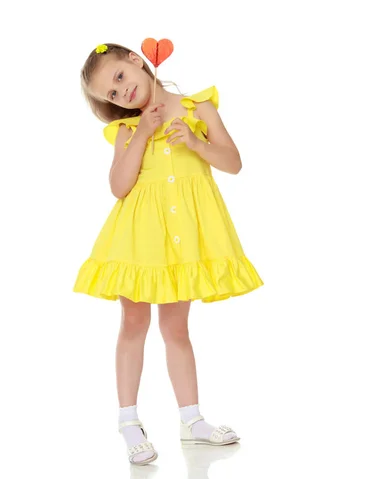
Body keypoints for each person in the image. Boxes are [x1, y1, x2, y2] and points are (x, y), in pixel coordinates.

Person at [74, 42, 263, 465]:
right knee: (134, 322)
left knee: (177, 328)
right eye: (113, 95)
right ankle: (129, 421)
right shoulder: (126, 130)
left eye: (121, 78)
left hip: (182, 239)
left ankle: (191, 419)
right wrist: (141, 132)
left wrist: (197, 145)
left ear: (137, 61)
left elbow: (233, 162)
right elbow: (119, 186)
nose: (123, 94)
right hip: (139, 239)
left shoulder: (198, 109)